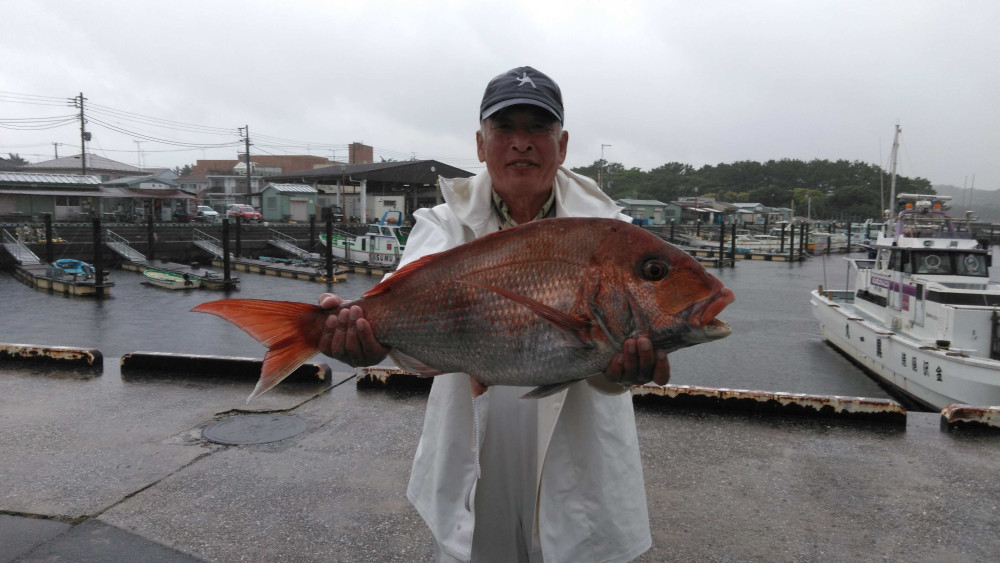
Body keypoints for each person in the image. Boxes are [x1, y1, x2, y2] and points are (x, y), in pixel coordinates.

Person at [317, 66, 668, 562]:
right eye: (505, 128)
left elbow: (613, 360)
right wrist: (371, 344)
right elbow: (410, 340)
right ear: (481, 144)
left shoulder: (609, 231)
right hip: (476, 445)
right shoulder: (440, 225)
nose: (521, 143)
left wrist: (621, 375)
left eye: (537, 129)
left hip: (582, 460)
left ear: (562, 144)